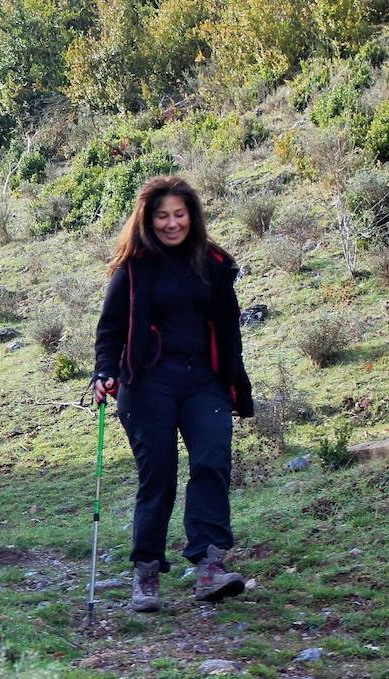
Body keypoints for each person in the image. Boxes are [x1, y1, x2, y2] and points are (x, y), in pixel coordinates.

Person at [90, 176, 254, 613]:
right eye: (162, 215)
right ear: (147, 219)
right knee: (158, 475)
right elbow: (110, 331)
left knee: (212, 460)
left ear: (192, 216)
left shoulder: (213, 264)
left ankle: (210, 566)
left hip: (204, 379)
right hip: (148, 382)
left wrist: (235, 379)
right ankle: (146, 572)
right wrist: (104, 373)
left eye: (179, 214)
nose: (171, 223)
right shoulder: (133, 268)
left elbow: (229, 329)